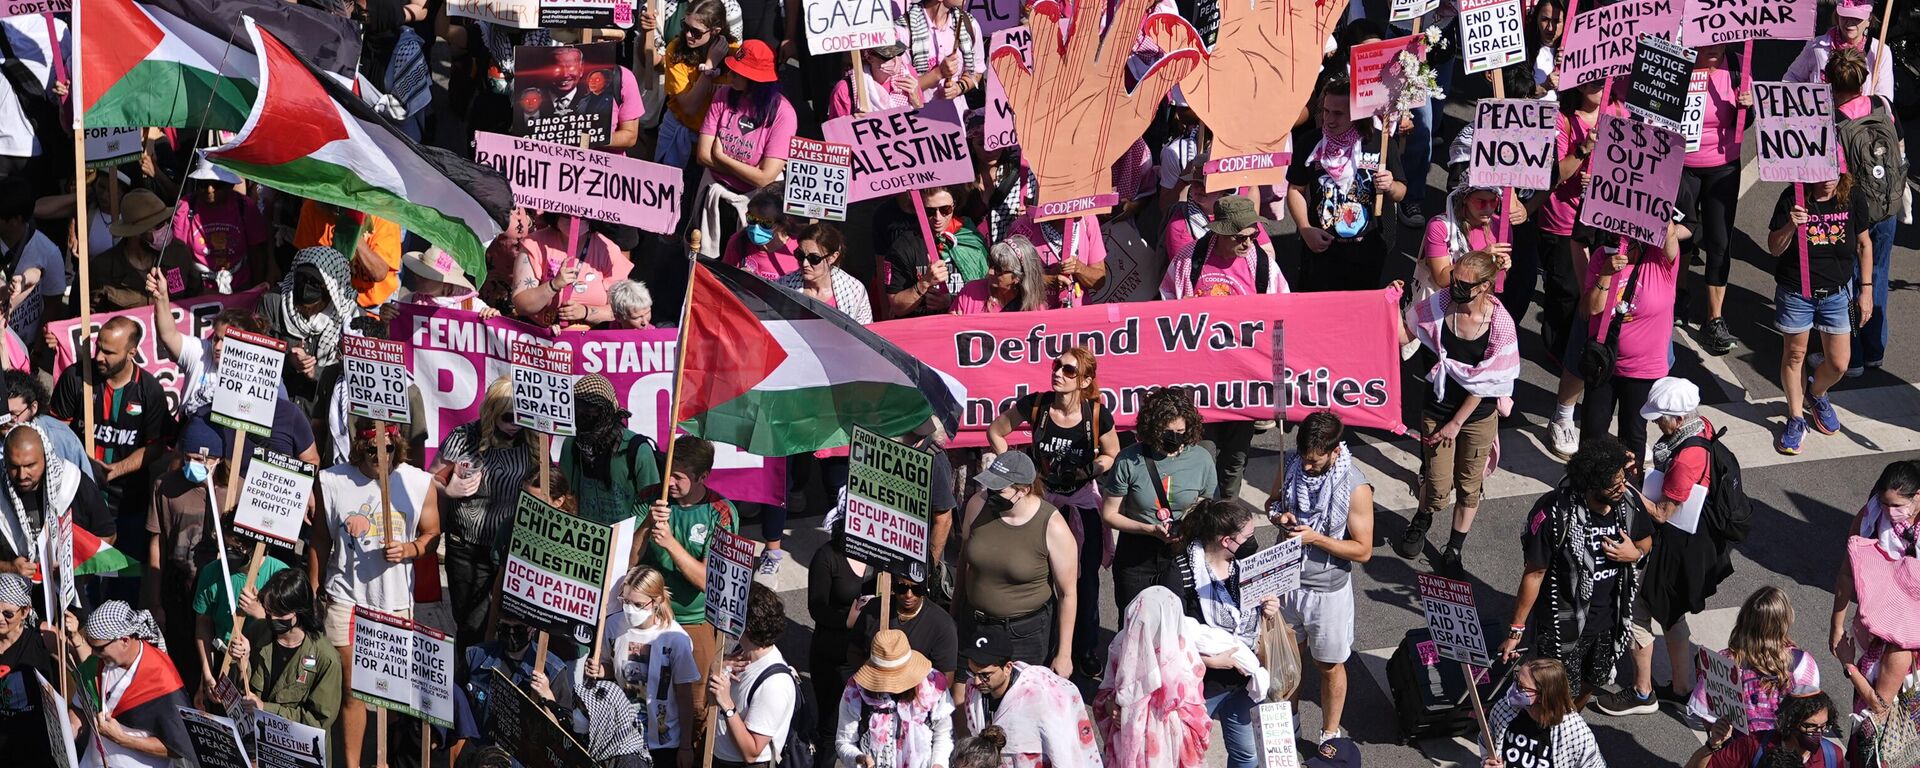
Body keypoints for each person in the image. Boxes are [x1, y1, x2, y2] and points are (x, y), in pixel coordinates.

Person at [312, 418, 439, 768]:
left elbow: (432, 534)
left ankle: (384, 759)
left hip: (395, 601)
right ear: (358, 446)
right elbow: (320, 539)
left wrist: (410, 550)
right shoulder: (333, 480)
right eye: (370, 449)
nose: (378, 456)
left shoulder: (417, 482)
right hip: (347, 597)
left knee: (388, 695)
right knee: (352, 689)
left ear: (396, 446)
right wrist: (314, 587)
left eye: (385, 448)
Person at [1609, 376, 1737, 718]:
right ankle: (1681, 688)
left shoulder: (1685, 460)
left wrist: (1628, 487)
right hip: (1691, 544)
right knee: (1671, 612)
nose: (1656, 423)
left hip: (1673, 546)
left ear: (1678, 419)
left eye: (1660, 417)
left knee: (1637, 610)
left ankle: (1641, 692)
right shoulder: (1701, 427)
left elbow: (1663, 513)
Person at [985, 347, 1117, 674]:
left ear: (1085, 381)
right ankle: (1045, 648)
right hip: (1042, 504)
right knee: (1042, 579)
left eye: (1069, 371)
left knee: (1083, 583)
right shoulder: (1036, 405)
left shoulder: (1097, 414)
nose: (1058, 373)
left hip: (1080, 505)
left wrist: (1089, 470)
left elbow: (1112, 453)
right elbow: (996, 432)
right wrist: (1016, 472)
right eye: (1057, 366)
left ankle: (1083, 650)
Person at [1498, 436, 1650, 708]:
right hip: (1562, 624)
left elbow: (1646, 540)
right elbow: (1534, 573)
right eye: (1613, 484)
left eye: (1622, 479)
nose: (1622, 487)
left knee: (1594, 679)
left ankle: (1570, 719)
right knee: (1551, 691)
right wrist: (1516, 630)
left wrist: (1634, 554)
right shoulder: (1556, 513)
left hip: (1609, 621)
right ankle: (1549, 730)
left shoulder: (1626, 503)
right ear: (1591, 484)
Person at [1394, 251, 1519, 573]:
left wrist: (1456, 423)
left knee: (1468, 484)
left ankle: (1454, 548)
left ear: (1485, 287)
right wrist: (1388, 304)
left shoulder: (1500, 324)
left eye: (1465, 284)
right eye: (1454, 279)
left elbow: (1488, 382)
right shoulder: (1439, 305)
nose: (1456, 287)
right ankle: (1423, 516)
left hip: (1476, 416)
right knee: (1436, 484)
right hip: (1436, 408)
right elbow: (1403, 333)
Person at [1268, 412, 1374, 743]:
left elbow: (1363, 550)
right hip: (1286, 581)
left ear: (1335, 451)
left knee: (1328, 666)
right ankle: (1290, 720)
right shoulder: (1292, 465)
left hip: (1327, 593)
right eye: (1305, 460)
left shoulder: (1355, 487)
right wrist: (1280, 517)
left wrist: (1316, 539)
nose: (1308, 467)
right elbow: (1272, 503)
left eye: (1316, 462)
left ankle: (1330, 733)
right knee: (1288, 659)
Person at [50, 315, 170, 598]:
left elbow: (156, 447)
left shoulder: (149, 391)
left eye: (109, 352)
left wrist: (115, 470)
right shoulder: (76, 378)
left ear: (132, 352)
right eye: (98, 348)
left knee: (123, 580)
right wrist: (82, 466)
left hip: (127, 505)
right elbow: (55, 434)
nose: (99, 357)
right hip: (77, 503)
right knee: (78, 583)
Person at [1157, 499, 1278, 767]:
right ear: (1226, 540)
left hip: (1242, 680)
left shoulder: (1245, 564)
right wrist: (1214, 661)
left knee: (1247, 755)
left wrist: (1269, 609)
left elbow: (1255, 613)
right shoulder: (1180, 573)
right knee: (1184, 755)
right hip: (1200, 685)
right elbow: (1167, 635)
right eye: (1247, 536)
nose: (1252, 541)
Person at [1766, 172, 1869, 455]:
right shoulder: (1792, 198)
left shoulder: (1853, 197)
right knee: (1795, 355)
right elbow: (1774, 248)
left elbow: (1863, 244)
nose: (1827, 181)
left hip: (1837, 293)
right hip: (1796, 292)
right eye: (1820, 174)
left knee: (1839, 364)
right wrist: (1791, 224)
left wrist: (1867, 290)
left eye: (1833, 174)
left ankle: (1817, 393)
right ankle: (1796, 417)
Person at [637, 435, 736, 729]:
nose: (669, 484)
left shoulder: (721, 512)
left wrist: (669, 543)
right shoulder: (649, 497)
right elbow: (628, 561)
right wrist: (645, 526)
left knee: (695, 705)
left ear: (702, 477)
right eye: (668, 474)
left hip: (694, 623)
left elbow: (709, 581)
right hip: (649, 618)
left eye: (678, 478)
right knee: (646, 695)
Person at [429, 377, 536, 646]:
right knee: (471, 624)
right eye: (509, 417)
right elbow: (432, 478)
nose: (515, 424)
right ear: (492, 412)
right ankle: (469, 678)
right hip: (467, 546)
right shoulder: (464, 437)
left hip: (511, 548)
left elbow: (544, 485)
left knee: (511, 623)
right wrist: (449, 489)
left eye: (522, 417)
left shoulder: (531, 441)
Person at [958, 451, 1079, 678]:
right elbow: (965, 562)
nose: (991, 494)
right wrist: (954, 615)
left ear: (1023, 491)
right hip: (974, 624)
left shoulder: (1052, 526)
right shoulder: (977, 505)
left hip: (1025, 635)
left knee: (1021, 705)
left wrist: (1064, 653)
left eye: (999, 490)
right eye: (990, 487)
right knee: (967, 701)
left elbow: (1067, 594)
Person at [1574, 220, 1688, 456]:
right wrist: (1606, 274)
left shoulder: (1660, 259)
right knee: (1592, 433)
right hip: (1603, 364)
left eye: (1622, 237)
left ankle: (1630, 487)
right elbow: (1589, 309)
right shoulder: (1600, 258)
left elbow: (1669, 232)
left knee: (1633, 436)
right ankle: (1587, 488)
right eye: (1613, 237)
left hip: (1643, 370)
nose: (1617, 242)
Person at [1828, 459, 1920, 751]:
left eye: (1898, 505)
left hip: (1901, 644)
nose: (1890, 513)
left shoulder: (1900, 644)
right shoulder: (1871, 515)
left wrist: (1848, 664)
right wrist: (1837, 624)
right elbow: (1846, 571)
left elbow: (1877, 705)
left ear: (1918, 496)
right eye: (1884, 503)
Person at [1101, 386, 1216, 616]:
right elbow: (1109, 514)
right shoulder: (1128, 460)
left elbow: (1206, 503)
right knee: (1135, 623)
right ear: (1152, 428)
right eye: (1167, 432)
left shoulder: (1201, 458)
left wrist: (1188, 526)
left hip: (1180, 552)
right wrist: (1149, 529)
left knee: (1178, 625)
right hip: (1136, 553)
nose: (1175, 438)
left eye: (1180, 431)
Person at [1288, 72, 1404, 292]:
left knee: (1359, 315)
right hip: (1321, 249)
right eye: (1326, 111)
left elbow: (1401, 192)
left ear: (1358, 114)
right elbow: (1295, 189)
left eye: (1338, 114)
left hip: (1368, 249)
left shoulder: (1381, 144)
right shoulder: (1310, 142)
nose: (1328, 120)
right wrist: (1305, 228)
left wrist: (1390, 185)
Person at [693, 40, 795, 257]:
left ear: (756, 80)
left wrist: (721, 157)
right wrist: (749, 170)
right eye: (731, 69)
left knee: (746, 264)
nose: (731, 76)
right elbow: (702, 155)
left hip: (754, 206)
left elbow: (765, 178)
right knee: (705, 262)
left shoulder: (783, 113)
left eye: (738, 73)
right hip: (716, 198)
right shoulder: (723, 96)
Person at [1680, 43, 1749, 355]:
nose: (1712, 47)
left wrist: (1747, 107)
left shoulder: (1738, 64)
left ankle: (1714, 318)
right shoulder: (1678, 60)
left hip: (1723, 166)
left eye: (1719, 40)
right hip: (1681, 165)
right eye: (1705, 40)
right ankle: (1678, 297)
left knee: (1719, 242)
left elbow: (1743, 124)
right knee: (1679, 238)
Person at [1093, 586, 1210, 768]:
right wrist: (1110, 705)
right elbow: (1107, 690)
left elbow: (1193, 711)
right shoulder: (1121, 644)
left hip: (1169, 746)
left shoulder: (1183, 655)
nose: (1137, 635)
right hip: (1133, 743)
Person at [594, 566, 699, 767]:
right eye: (625, 601)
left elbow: (685, 696)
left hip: (663, 745)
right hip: (623, 738)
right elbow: (609, 667)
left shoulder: (675, 639)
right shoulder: (613, 625)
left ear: (656, 601)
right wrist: (600, 670)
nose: (629, 609)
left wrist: (686, 746)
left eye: (637, 604)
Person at [960, 621, 1101, 767]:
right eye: (972, 672)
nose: (976, 682)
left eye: (985, 675)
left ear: (1008, 667)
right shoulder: (973, 690)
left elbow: (1063, 753)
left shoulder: (1043, 698)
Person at [76, 601, 197, 767]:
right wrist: (70, 727)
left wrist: (122, 739)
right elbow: (80, 706)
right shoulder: (97, 664)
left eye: (99, 648)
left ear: (125, 640)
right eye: (91, 647)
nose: (94, 654)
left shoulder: (162, 678)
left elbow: (178, 747)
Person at [1687, 587, 1822, 732]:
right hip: (1782, 750)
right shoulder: (1803, 663)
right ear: (1785, 621)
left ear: (1744, 619)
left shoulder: (1724, 662)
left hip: (1738, 749)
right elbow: (1809, 713)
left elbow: (1706, 714)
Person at [226, 568, 343, 729]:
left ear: (300, 611)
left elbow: (319, 720)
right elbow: (237, 695)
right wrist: (242, 665)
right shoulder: (258, 632)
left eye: (280, 613)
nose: (272, 618)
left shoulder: (326, 659)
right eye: (269, 611)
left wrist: (265, 709)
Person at [0, 423, 115, 576]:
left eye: (30, 465)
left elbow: (107, 534)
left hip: (69, 588)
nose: (22, 475)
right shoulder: (2, 491)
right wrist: (10, 567)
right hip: (13, 589)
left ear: (46, 456)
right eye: (14, 466)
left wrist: (74, 566)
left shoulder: (73, 483)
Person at [832, 630, 955, 768]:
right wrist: (859, 758)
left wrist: (938, 764)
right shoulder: (854, 691)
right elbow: (844, 742)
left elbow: (944, 734)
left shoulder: (934, 686)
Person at [707, 583, 799, 767]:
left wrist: (727, 705)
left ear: (745, 626)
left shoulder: (774, 685)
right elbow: (710, 700)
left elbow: (751, 752)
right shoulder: (739, 652)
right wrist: (715, 669)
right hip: (720, 756)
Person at [260, 246, 358, 411]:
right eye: (301, 278)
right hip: (276, 406)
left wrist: (316, 372)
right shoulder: (273, 302)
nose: (305, 287)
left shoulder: (349, 316)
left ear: (332, 288)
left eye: (314, 283)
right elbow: (255, 357)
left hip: (320, 413)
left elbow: (355, 376)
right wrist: (288, 361)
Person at [805, 516, 872, 754]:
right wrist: (847, 620)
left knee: (869, 728)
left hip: (868, 655)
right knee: (832, 729)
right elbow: (816, 607)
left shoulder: (877, 557)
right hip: (833, 654)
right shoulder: (827, 557)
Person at [562, 373, 662, 524]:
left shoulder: (637, 450)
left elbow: (648, 504)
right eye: (579, 407)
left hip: (626, 541)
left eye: (592, 409)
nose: (583, 414)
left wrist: (624, 538)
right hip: (584, 538)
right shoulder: (573, 445)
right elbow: (567, 495)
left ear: (607, 411)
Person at [879, 185, 990, 318]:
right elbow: (897, 307)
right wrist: (924, 283)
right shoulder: (904, 247)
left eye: (945, 209)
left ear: (954, 204)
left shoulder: (972, 238)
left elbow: (988, 291)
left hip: (964, 330)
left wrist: (951, 300)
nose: (938, 217)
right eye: (930, 211)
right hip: (921, 329)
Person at [653, 0, 739, 168]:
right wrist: (710, 67)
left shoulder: (733, 53)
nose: (688, 35)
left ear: (715, 31)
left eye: (696, 32)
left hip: (714, 137)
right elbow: (689, 107)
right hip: (680, 127)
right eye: (685, 27)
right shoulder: (676, 49)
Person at [511, 213, 634, 328]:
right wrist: (553, 285)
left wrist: (585, 312)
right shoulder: (535, 244)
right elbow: (521, 305)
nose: (573, 219)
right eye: (566, 215)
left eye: (582, 215)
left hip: (591, 342)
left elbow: (622, 309)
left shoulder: (608, 250)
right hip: (541, 337)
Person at [171, 156, 270, 291]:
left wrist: (257, 289)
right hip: (198, 290)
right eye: (203, 184)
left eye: (217, 184)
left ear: (229, 184)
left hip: (240, 287)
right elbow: (177, 255)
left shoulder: (245, 206)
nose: (209, 189)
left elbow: (257, 251)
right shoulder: (186, 207)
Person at [1483, 659, 1605, 768]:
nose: (1514, 688)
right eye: (1516, 678)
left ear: (1543, 695)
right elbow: (1486, 740)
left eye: (1521, 686)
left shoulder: (1575, 733)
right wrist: (1488, 762)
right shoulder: (1505, 708)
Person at [1165, 194, 1286, 300]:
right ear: (1219, 232)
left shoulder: (1264, 265)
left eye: (1254, 235)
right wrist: (1181, 307)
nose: (1248, 244)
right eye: (1240, 237)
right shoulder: (1187, 259)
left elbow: (1282, 305)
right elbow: (1166, 299)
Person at [90, 189, 193, 311]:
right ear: (136, 233)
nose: (165, 229)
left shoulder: (179, 254)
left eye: (166, 222)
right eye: (158, 226)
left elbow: (196, 299)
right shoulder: (102, 269)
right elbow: (88, 319)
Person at [1686, 691, 1845, 768]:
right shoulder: (1754, 745)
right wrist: (1712, 745)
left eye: (1823, 727)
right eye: (1809, 726)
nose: (1817, 733)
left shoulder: (1833, 757)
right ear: (1790, 722)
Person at [854, 571, 958, 682]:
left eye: (917, 589)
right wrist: (872, 677)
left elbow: (946, 679)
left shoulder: (943, 624)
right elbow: (853, 651)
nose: (909, 595)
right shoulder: (874, 608)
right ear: (893, 585)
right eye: (902, 588)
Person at [1783, 0, 1893, 102]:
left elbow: (1885, 100)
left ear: (1869, 20)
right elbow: (1792, 77)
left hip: (1859, 121)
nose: (1849, 23)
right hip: (1820, 120)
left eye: (1857, 18)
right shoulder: (1816, 47)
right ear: (1837, 15)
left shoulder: (1880, 52)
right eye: (1845, 16)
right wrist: (1805, 105)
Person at [0, 574, 56, 767]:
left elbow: (85, 665)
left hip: (37, 748)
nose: (0, 619)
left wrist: (74, 637)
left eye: (8, 614)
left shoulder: (43, 639)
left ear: (24, 612)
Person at [0, 184, 68, 340]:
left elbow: (53, 305)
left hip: (24, 348)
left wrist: (37, 349)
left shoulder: (48, 252)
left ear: (15, 220)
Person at [777, 222, 873, 324]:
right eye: (800, 255)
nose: (805, 264)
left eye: (814, 258)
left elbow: (865, 333)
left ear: (832, 257)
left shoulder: (854, 290)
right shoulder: (783, 286)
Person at [2, 370, 89, 478]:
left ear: (33, 408)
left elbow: (87, 488)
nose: (4, 423)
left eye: (12, 415)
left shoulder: (62, 439)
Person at [894, 0, 983, 102]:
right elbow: (898, 88)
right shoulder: (903, 31)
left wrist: (959, 88)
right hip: (918, 114)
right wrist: (938, 73)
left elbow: (977, 71)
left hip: (956, 116)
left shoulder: (968, 24)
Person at [722, 185, 802, 280]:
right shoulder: (738, 242)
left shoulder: (799, 248)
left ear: (782, 225)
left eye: (765, 223)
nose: (756, 227)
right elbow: (724, 280)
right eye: (751, 218)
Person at [952, 236, 1046, 314]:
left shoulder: (1034, 308)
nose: (990, 272)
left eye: (998, 269)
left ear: (1017, 277)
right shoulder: (970, 292)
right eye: (990, 262)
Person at [826, 42, 922, 119]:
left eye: (898, 53)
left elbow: (924, 123)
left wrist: (917, 102)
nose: (895, 60)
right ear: (869, 57)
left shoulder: (908, 74)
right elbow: (837, 134)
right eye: (887, 56)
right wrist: (853, 122)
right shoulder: (844, 90)